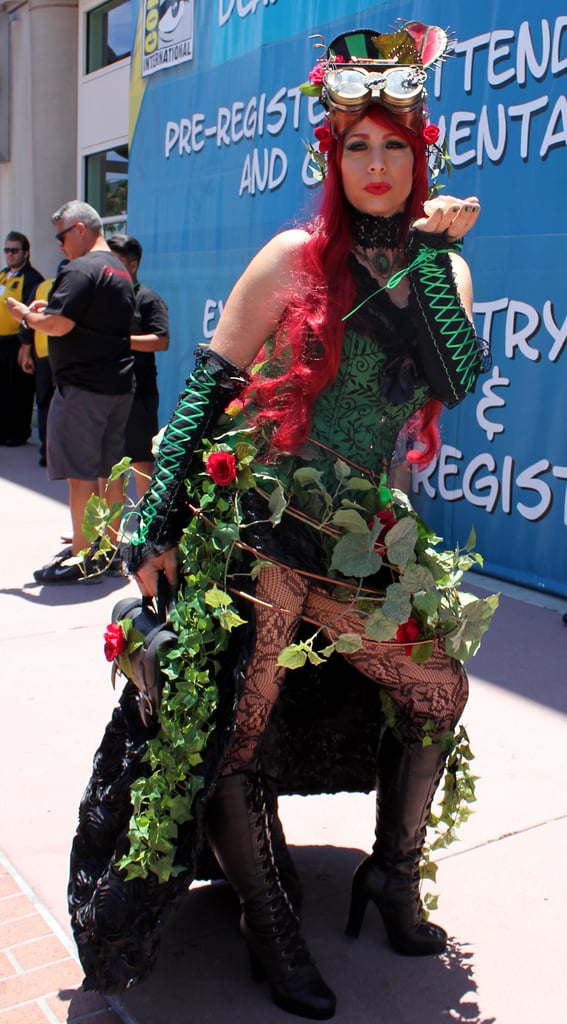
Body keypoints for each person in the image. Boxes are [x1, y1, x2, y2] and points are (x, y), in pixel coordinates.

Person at [68, 25, 493, 1019]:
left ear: (419, 156)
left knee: (438, 691)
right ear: (331, 157)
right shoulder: (290, 256)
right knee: (235, 720)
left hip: (363, 539)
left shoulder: (447, 271)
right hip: (256, 525)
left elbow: (452, 377)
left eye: (394, 146)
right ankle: (269, 918)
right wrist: (154, 527)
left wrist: (429, 255)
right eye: (357, 146)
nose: (376, 165)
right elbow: (203, 400)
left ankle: (393, 875)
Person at [7, 201, 134, 583]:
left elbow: (59, 325)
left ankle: (83, 557)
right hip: (118, 385)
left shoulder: (79, 269)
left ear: (80, 229)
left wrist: (27, 316)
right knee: (111, 473)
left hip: (82, 390)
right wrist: (53, 308)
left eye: (62, 236)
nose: (60, 246)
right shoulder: (119, 271)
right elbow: (84, 316)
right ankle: (109, 551)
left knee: (81, 476)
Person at [107, 234, 170, 498]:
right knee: (110, 466)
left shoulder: (148, 299)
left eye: (115, 260)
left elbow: (161, 340)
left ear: (132, 265)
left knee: (140, 462)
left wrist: (122, 341)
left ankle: (145, 533)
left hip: (139, 395)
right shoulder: (103, 299)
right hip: (106, 392)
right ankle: (107, 536)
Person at [18, 260, 69, 467]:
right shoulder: (76, 289)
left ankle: (48, 452)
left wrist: (27, 350)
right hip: (60, 357)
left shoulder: (43, 286)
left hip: (47, 355)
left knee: (46, 403)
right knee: (58, 404)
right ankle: (54, 453)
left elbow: (27, 319)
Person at [0, 231, 43, 446]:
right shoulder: (3, 275)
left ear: (25, 253)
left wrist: (25, 344)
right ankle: (3, 430)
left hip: (17, 341)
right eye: (7, 250)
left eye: (14, 250)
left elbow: (30, 314)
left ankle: (19, 431)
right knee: (3, 389)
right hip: (1, 341)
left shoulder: (32, 278)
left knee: (19, 389)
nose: (10, 254)